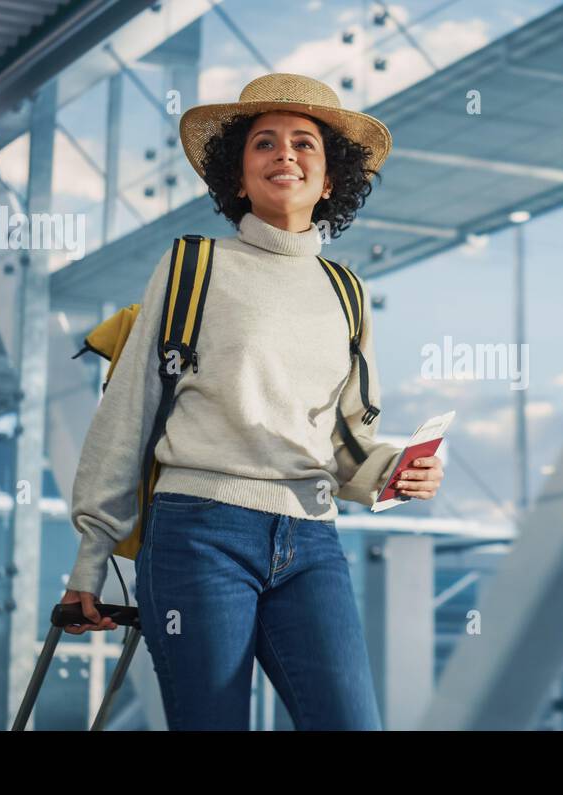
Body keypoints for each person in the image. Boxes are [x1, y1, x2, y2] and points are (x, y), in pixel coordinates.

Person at [58, 73, 444, 730]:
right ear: (237, 176)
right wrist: (89, 563)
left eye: (304, 144)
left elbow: (347, 441)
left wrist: (395, 471)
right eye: (264, 142)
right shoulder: (192, 266)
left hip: (312, 539)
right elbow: (127, 413)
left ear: (330, 181)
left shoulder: (347, 292)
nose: (284, 153)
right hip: (198, 535)